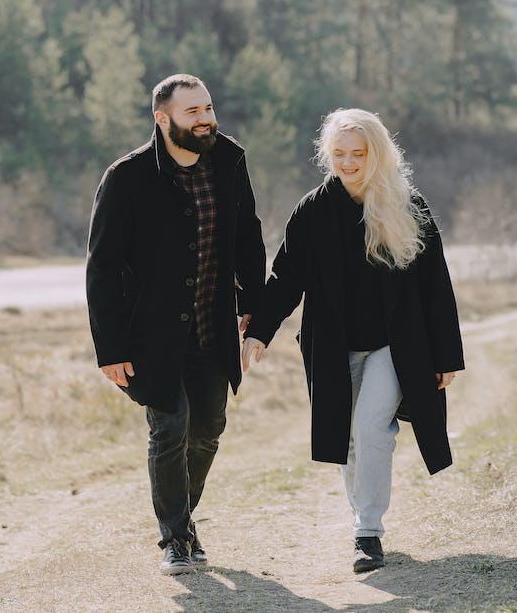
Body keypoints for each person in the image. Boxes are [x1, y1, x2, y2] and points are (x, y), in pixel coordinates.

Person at [242, 108, 464, 573]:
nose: (347, 163)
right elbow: (285, 278)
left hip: (396, 345)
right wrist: (261, 329)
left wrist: (445, 356)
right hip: (333, 345)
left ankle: (368, 531)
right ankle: (362, 515)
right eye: (338, 154)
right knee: (346, 438)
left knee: (369, 428)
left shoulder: (408, 206)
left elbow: (435, 286)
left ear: (376, 154)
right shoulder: (312, 211)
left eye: (357, 154)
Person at [86, 74, 266, 575]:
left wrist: (252, 301)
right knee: (170, 427)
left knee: (208, 429)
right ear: (162, 119)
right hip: (152, 333)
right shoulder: (126, 177)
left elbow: (249, 233)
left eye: (208, 107)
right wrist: (110, 346)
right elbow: (101, 267)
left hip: (212, 325)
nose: (206, 118)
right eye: (193, 112)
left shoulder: (230, 160)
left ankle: (183, 521)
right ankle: (175, 538)